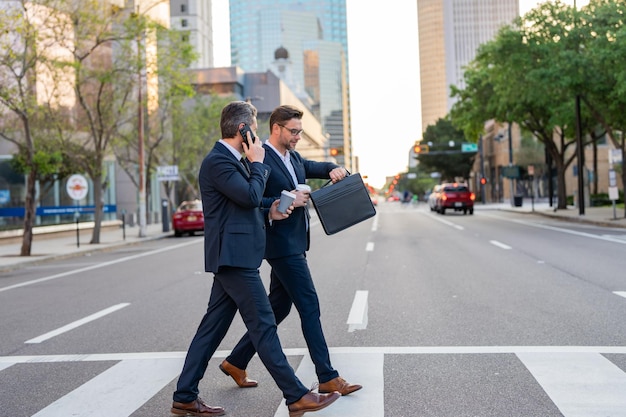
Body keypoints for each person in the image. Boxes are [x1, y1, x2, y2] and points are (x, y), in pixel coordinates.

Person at [171, 101, 340, 417]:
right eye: (254, 127)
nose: (258, 135)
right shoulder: (219, 162)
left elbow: (246, 202)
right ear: (242, 129)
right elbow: (248, 195)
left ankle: (184, 396)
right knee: (264, 323)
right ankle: (296, 395)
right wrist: (259, 162)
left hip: (236, 256)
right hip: (233, 258)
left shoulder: (232, 160)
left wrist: (272, 207)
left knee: (212, 328)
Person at [219, 104, 362, 397]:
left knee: (279, 306)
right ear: (276, 129)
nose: (298, 136)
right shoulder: (260, 157)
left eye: (300, 131)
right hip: (280, 245)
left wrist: (334, 168)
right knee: (309, 305)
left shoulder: (292, 157)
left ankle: (236, 361)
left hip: (296, 243)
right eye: (294, 131)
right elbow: (253, 198)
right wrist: (287, 200)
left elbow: (313, 166)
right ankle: (327, 376)